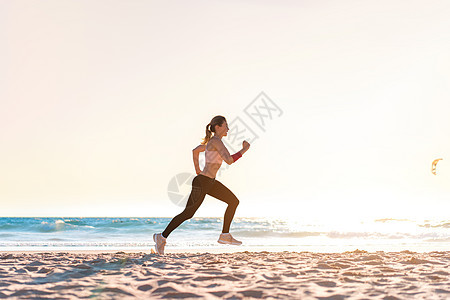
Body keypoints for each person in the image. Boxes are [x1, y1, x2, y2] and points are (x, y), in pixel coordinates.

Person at [153, 115, 250, 255]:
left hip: (209, 182)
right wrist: (244, 150)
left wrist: (197, 169)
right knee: (188, 213)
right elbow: (229, 160)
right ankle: (161, 237)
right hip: (203, 182)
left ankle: (225, 235)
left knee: (233, 201)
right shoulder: (216, 142)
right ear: (218, 127)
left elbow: (195, 151)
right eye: (226, 125)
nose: (228, 128)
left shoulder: (212, 143)